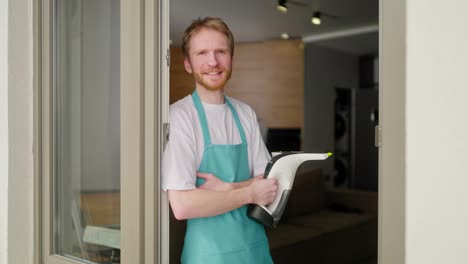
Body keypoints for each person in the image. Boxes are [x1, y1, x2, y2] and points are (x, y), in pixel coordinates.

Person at [162, 17, 278, 264]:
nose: (213, 62)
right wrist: (248, 193)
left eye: (221, 52)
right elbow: (183, 205)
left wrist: (230, 188)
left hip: (254, 250)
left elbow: (268, 186)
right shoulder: (181, 116)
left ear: (231, 60)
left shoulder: (245, 113)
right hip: (208, 255)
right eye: (202, 53)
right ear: (188, 64)